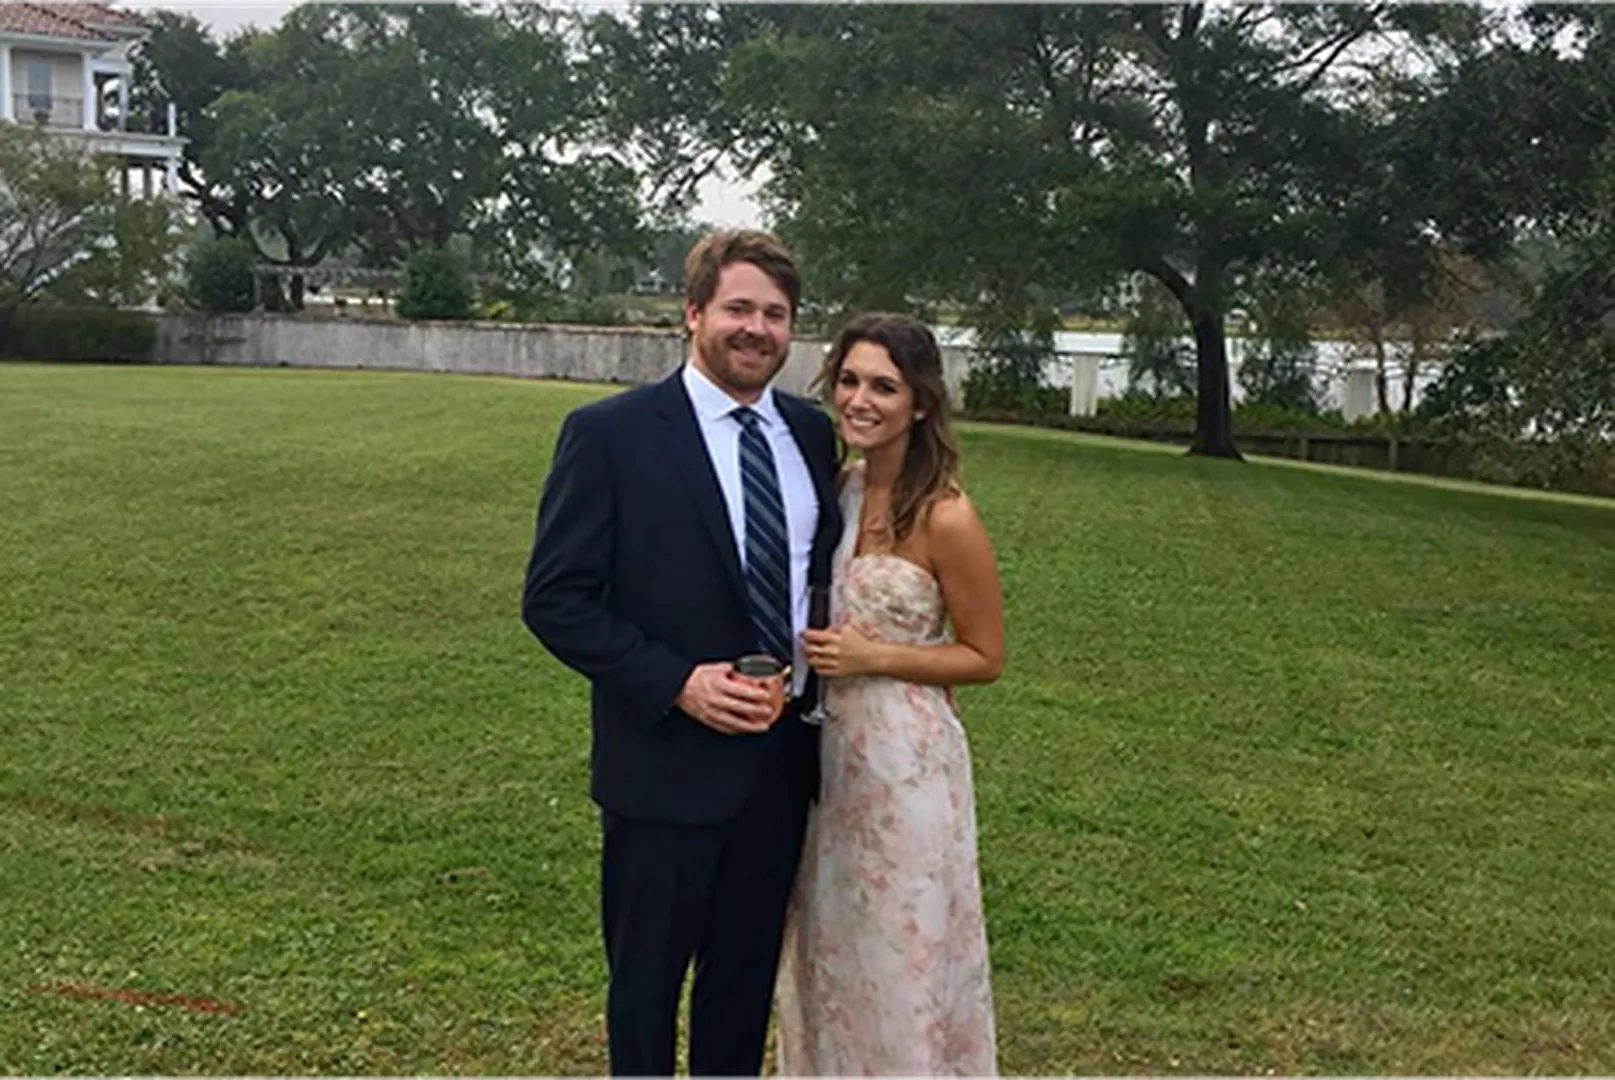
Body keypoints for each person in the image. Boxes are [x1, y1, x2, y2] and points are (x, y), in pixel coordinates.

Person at [521, 231, 842, 1080]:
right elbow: (554, 599)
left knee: (741, 988)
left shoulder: (812, 437)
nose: (757, 329)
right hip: (662, 768)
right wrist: (676, 682)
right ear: (693, 313)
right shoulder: (610, 435)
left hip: (780, 768)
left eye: (775, 314)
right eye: (738, 308)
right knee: (645, 991)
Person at [777, 312, 1004, 1078]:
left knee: (900, 948)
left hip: (907, 768)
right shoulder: (836, 493)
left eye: (883, 386)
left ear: (919, 402)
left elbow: (984, 656)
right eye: (848, 380)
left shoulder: (946, 514)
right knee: (831, 945)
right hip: (824, 759)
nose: (859, 400)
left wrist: (875, 655)